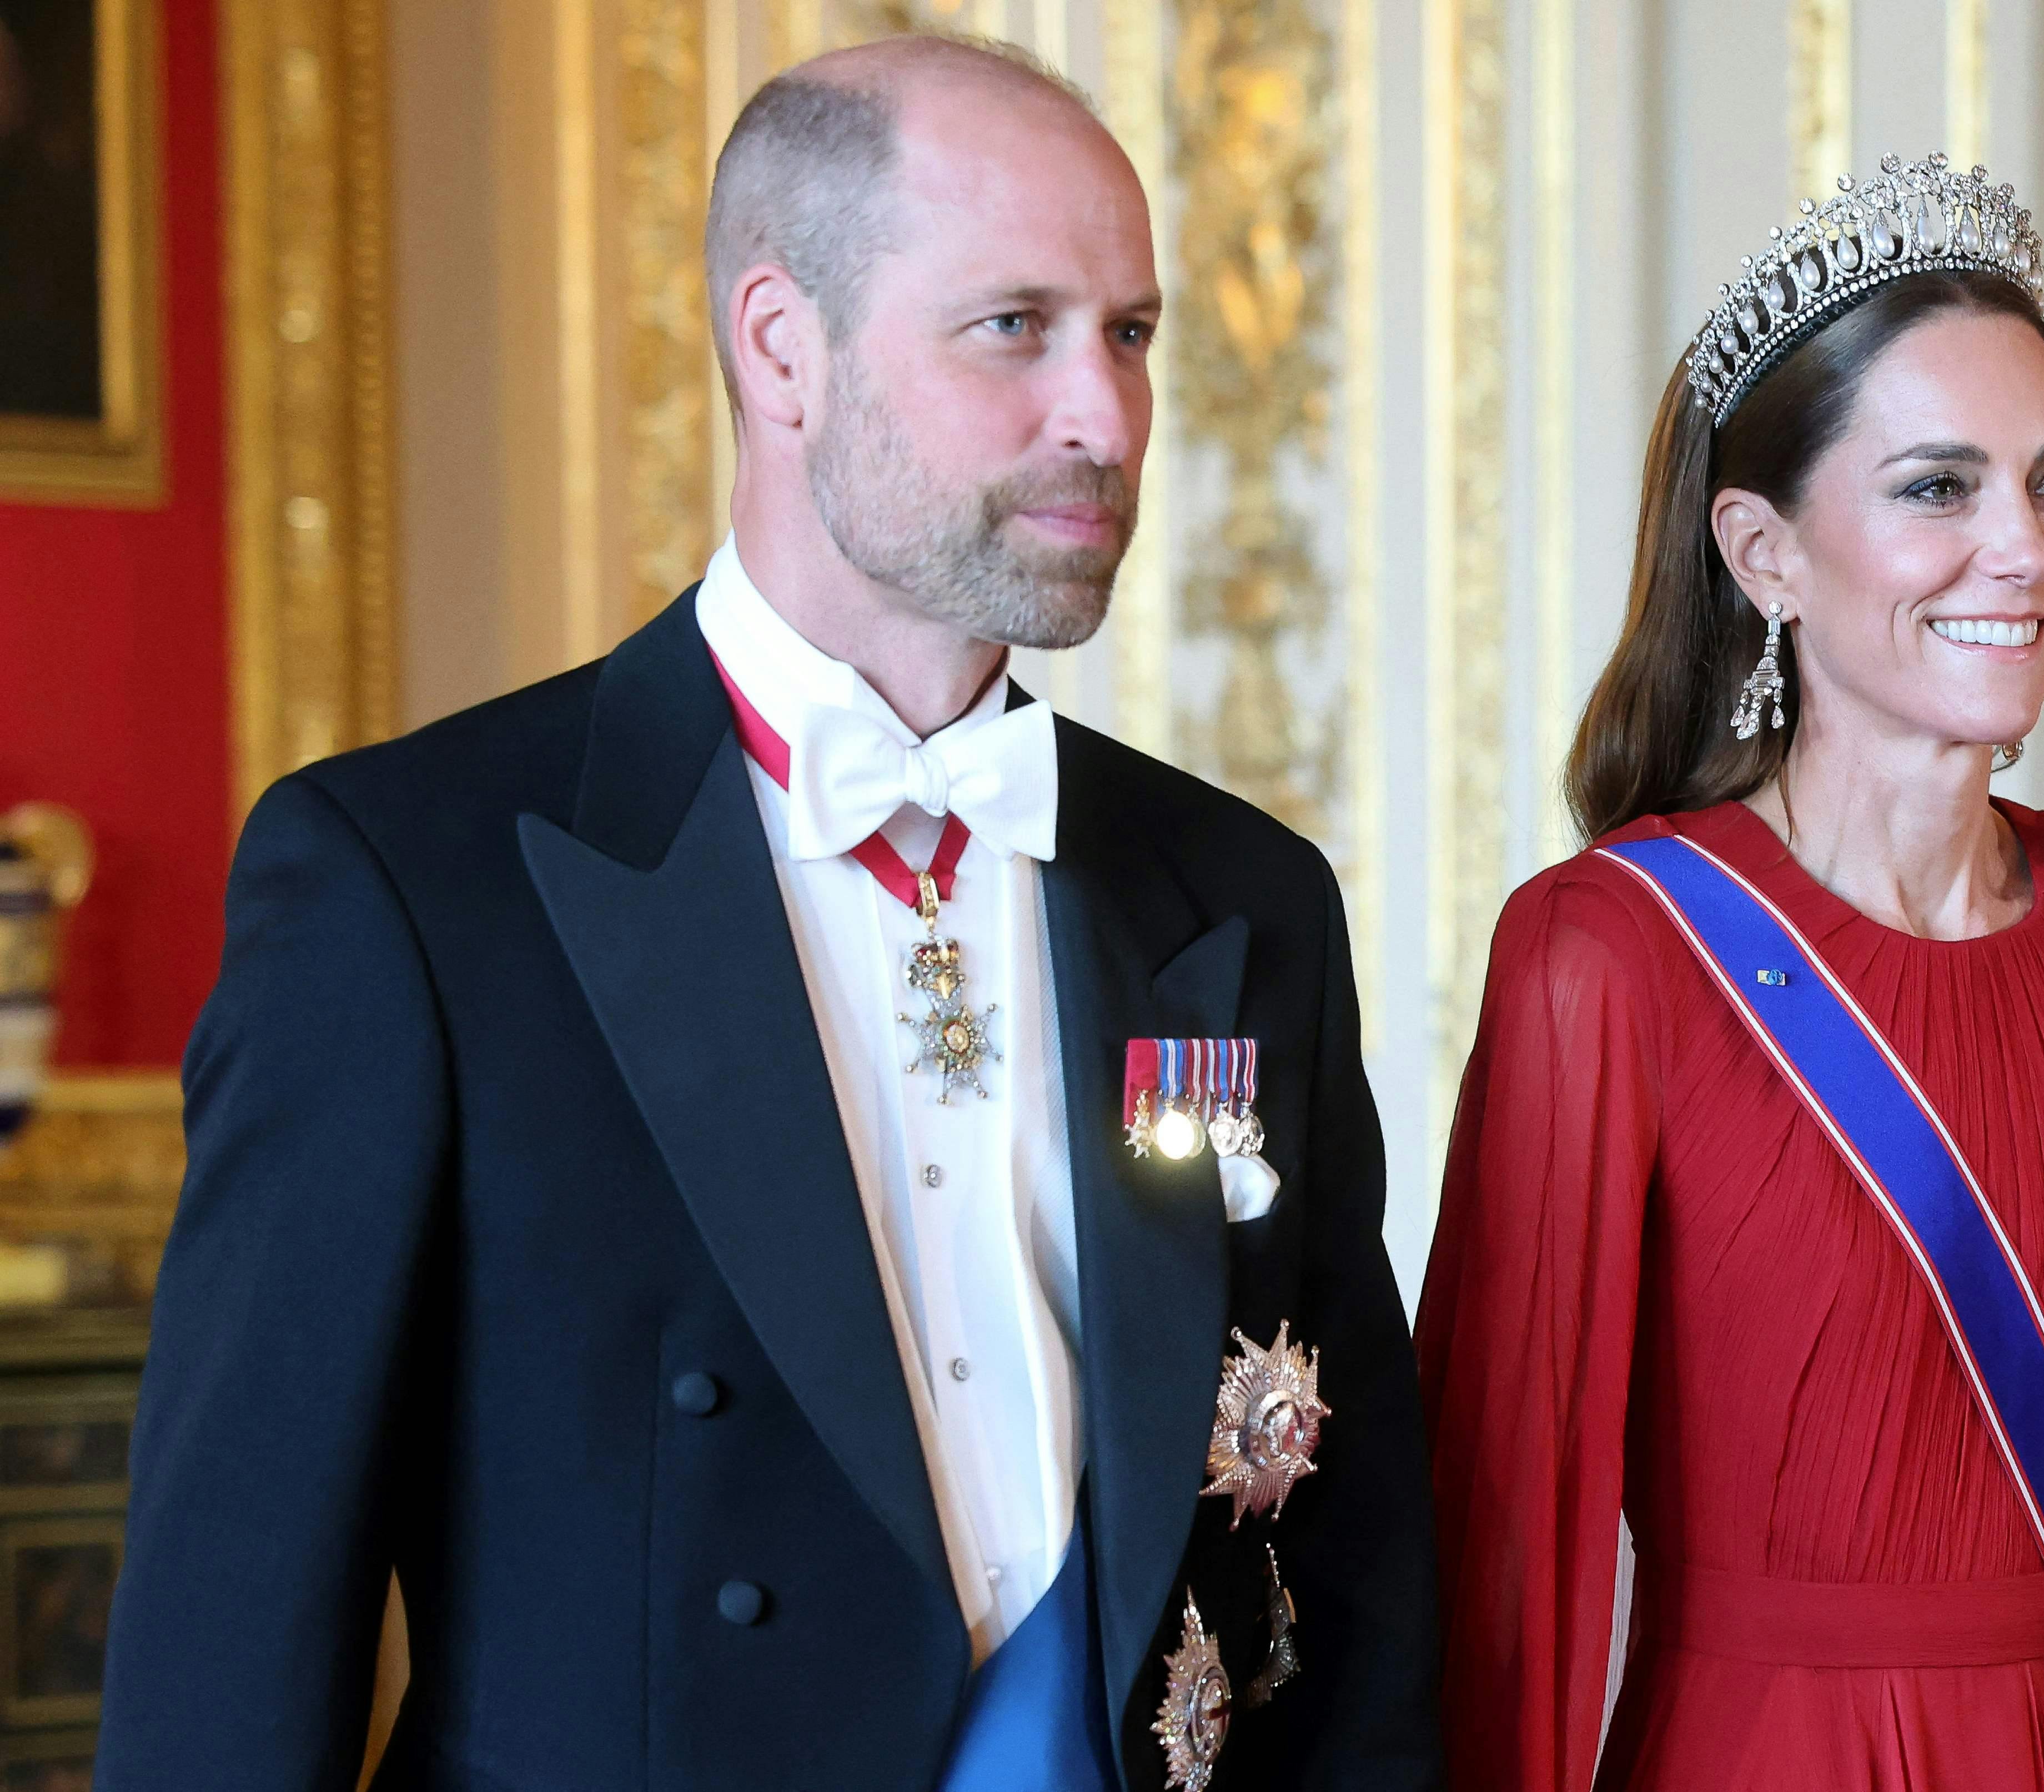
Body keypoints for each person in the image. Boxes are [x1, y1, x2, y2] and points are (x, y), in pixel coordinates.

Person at [98, 37, 1438, 1792]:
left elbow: (1351, 1576)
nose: (1103, 420)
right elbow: (232, 1643)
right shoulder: (405, 888)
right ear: (781, 346)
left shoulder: (1241, 894)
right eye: (1012, 327)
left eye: (1129, 333)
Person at [1417, 155, 2044, 1792]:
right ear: (1764, 552)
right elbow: (1514, 1561)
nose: (2026, 548)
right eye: (1938, 488)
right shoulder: (1606, 951)